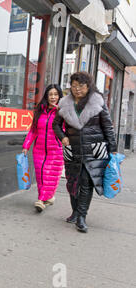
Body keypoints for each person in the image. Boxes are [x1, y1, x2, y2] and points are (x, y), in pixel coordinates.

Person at [53, 72, 117, 233]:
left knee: (86, 183)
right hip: (72, 149)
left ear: (88, 86)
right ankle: (75, 212)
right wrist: (63, 137)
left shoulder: (97, 102)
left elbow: (107, 126)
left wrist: (113, 148)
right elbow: (56, 125)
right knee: (72, 181)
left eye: (80, 86)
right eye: (74, 86)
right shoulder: (64, 103)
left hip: (93, 149)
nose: (77, 89)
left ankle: (81, 216)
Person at [22, 85, 65, 212]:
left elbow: (67, 130)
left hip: (55, 150)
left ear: (59, 96)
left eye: (55, 94)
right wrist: (26, 146)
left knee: (49, 175)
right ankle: (47, 197)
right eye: (50, 94)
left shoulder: (63, 111)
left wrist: (62, 113)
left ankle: (41, 199)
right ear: (46, 96)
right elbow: (33, 131)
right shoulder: (40, 111)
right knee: (41, 175)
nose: (53, 97)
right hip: (39, 150)